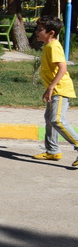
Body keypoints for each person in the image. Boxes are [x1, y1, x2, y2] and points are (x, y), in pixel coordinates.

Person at [31, 16, 78, 166]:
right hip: (55, 88)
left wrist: (51, 87)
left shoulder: (54, 47)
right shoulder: (48, 46)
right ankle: (53, 151)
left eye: (40, 30)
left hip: (60, 89)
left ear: (51, 33)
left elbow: (63, 68)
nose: (36, 32)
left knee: (56, 120)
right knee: (49, 119)